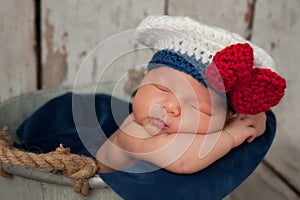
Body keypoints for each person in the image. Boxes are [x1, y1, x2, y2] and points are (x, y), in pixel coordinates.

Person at [96, 16, 286, 174]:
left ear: (228, 118)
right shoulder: (136, 130)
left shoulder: (215, 128)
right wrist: (231, 135)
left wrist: (255, 120)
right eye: (162, 89)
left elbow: (254, 122)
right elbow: (183, 161)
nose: (171, 107)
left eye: (197, 107)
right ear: (145, 77)